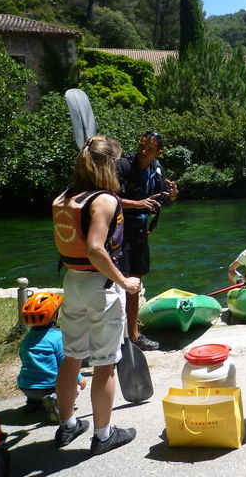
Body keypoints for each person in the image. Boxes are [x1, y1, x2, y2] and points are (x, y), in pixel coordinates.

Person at [52, 134, 140, 454]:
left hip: (73, 283)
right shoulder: (104, 200)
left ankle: (67, 426)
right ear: (109, 165)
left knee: (73, 356)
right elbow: (94, 249)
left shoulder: (63, 198)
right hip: (99, 287)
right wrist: (125, 282)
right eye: (116, 162)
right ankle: (103, 436)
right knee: (104, 364)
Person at [116, 131, 179, 351]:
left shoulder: (156, 170)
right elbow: (107, 198)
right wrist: (138, 203)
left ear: (157, 152)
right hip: (118, 232)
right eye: (141, 146)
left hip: (140, 233)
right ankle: (115, 337)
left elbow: (162, 201)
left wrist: (171, 196)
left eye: (149, 149)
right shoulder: (123, 166)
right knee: (119, 284)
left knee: (134, 284)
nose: (143, 152)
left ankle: (133, 336)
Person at [17, 292, 86, 423]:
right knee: (73, 386)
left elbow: (23, 357)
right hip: (49, 387)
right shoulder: (57, 337)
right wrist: (79, 378)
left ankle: (33, 403)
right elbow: (65, 363)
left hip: (26, 386)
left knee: (36, 375)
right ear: (54, 315)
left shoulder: (27, 339)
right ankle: (56, 402)